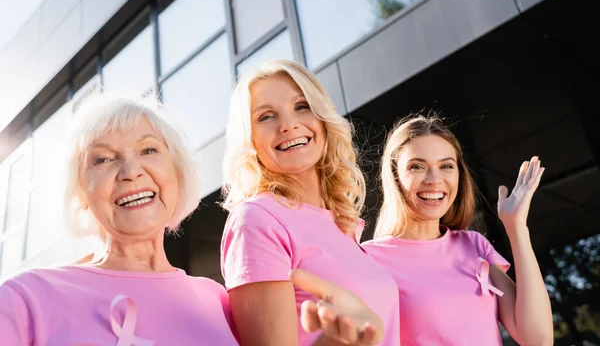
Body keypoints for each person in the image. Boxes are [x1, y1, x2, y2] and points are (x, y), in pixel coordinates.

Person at [0, 94, 386, 345]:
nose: (130, 171)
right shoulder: (24, 299)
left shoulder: (219, 303)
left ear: (177, 175)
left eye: (149, 150)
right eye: (102, 159)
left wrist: (333, 343)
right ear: (80, 193)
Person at [220, 59, 400, 346]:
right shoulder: (256, 219)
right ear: (249, 139)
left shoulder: (342, 224)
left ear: (322, 118)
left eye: (301, 106)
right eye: (266, 116)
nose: (288, 125)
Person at [361, 114, 554, 346]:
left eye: (446, 166)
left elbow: (538, 339)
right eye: (417, 166)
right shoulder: (368, 259)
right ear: (395, 175)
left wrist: (516, 227)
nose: (434, 179)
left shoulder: (473, 245)